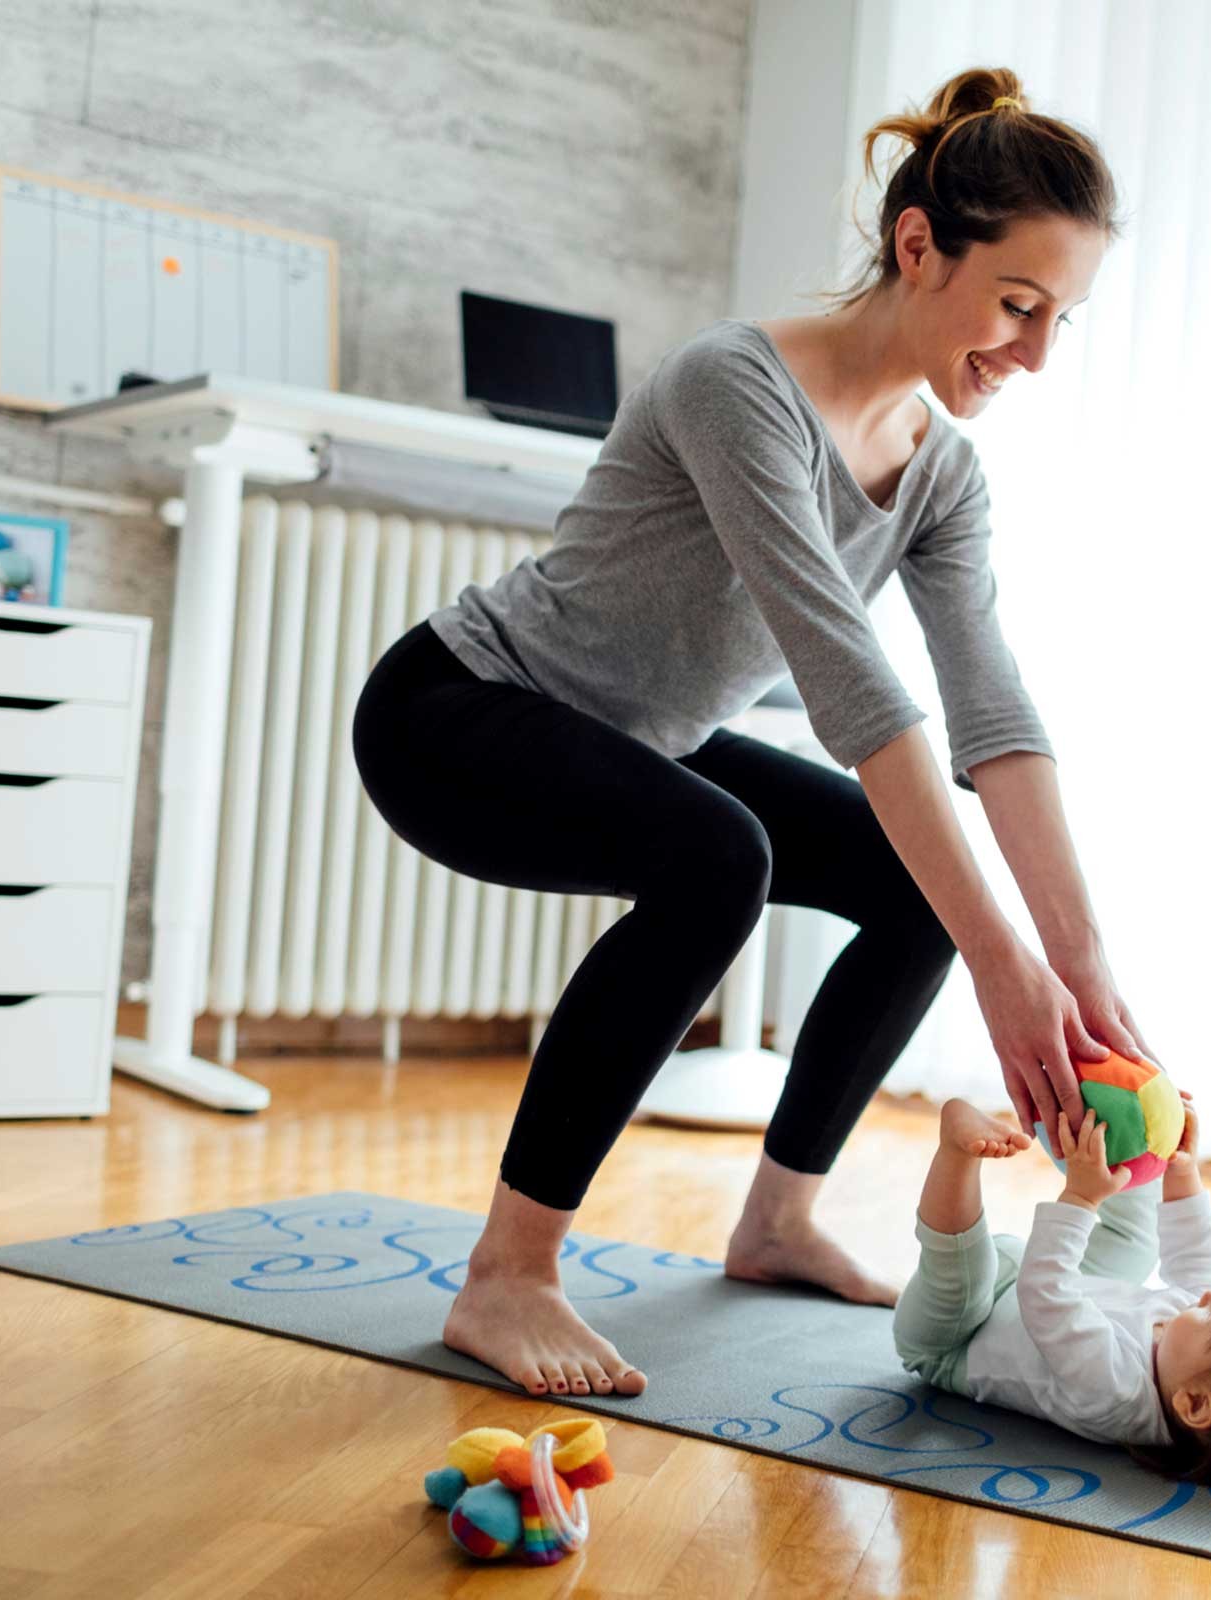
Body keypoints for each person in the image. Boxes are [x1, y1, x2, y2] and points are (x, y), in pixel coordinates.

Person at [352, 65, 1146, 1400]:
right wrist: (1002, 963)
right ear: (917, 247)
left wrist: (1080, 965)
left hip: (641, 740)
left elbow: (991, 712)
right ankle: (507, 1274)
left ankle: (777, 1218)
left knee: (905, 887)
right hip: (458, 712)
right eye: (1019, 305)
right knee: (721, 859)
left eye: (1061, 317)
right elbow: (854, 686)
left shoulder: (942, 470)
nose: (1037, 353)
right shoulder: (738, 385)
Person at [894, 1096, 1211, 1514]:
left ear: (1193, 1404)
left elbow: (1045, 1296)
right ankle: (1115, 1131)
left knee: (963, 1271)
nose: (1209, 1297)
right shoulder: (1196, 1359)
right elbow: (1200, 1264)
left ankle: (956, 1153)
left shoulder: (1115, 1391)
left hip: (960, 1335)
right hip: (1069, 1287)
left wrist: (1080, 1198)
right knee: (1135, 1240)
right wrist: (1180, 1170)